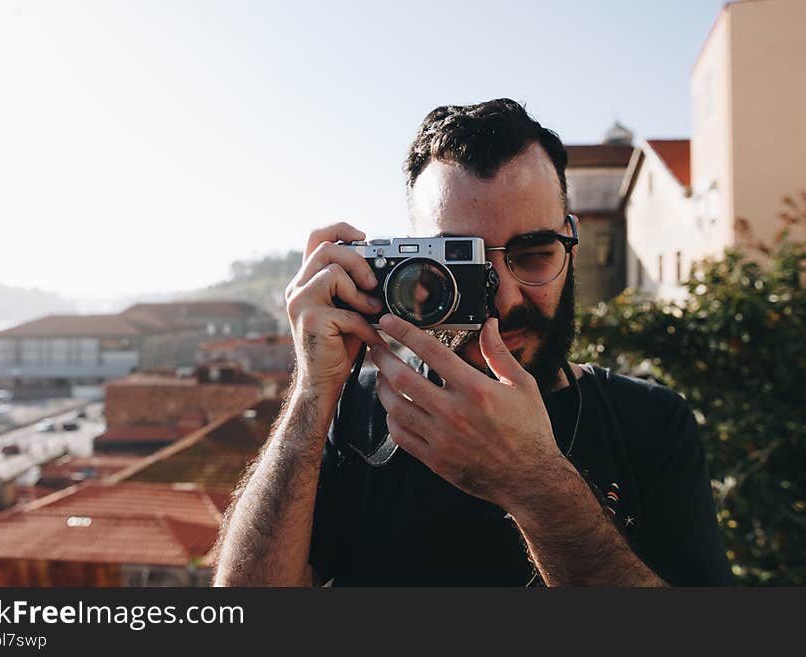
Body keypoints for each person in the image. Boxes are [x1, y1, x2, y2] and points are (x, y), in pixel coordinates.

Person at [212, 98, 732, 586]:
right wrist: (310, 392)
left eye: (533, 253)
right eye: (462, 264)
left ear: (570, 244)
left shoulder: (649, 422)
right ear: (409, 264)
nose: (504, 299)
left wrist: (534, 483)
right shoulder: (355, 414)